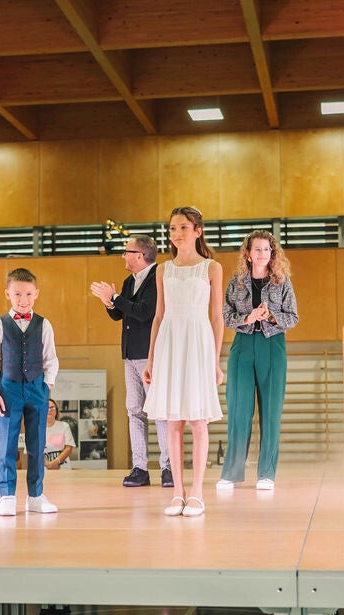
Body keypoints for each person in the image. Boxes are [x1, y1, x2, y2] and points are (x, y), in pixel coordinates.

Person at [143, 206, 224, 517]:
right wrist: (151, 359)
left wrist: (215, 361)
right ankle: (178, 492)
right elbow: (158, 316)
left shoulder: (211, 268)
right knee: (173, 421)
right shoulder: (163, 270)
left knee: (198, 421)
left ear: (197, 231)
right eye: (173, 228)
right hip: (170, 342)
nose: (177, 234)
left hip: (198, 343)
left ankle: (197, 493)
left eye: (184, 228)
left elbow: (217, 317)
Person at [217, 230, 299, 492]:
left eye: (267, 249)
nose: (262, 253)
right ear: (248, 254)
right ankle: (232, 473)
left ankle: (266, 474)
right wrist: (247, 318)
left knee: (271, 413)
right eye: (257, 249)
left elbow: (293, 317)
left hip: (272, 346)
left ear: (272, 253)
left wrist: (271, 316)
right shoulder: (236, 282)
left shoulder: (282, 282)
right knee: (238, 411)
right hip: (242, 346)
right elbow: (225, 315)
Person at [90, 234, 171, 488]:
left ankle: (168, 468)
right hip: (130, 355)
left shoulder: (158, 276)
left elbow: (145, 312)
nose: (123, 256)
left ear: (140, 255)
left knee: (159, 412)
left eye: (127, 251)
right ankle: (140, 468)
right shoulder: (129, 281)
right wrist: (109, 302)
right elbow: (120, 315)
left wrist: (115, 298)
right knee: (135, 410)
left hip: (151, 355)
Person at [0, 268, 60, 515]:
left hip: (37, 388)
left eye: (28, 294)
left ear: (36, 293)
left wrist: (47, 385)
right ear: (7, 294)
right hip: (8, 388)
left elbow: (51, 357)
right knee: (7, 443)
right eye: (17, 294)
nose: (23, 300)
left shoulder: (44, 324)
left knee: (37, 444)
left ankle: (36, 496)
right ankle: (7, 496)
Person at [44, 398, 75, 469]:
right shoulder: (35, 429)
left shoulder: (64, 426)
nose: (49, 410)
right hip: (43, 470)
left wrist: (56, 462)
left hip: (63, 469)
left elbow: (68, 448)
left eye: (52, 407)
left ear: (56, 411)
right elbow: (33, 451)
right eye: (46, 407)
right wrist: (48, 464)